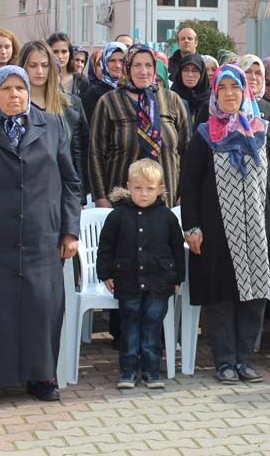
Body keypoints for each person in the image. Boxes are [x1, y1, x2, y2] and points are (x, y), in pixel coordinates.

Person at [0, 65, 81, 406]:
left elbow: (71, 183)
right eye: (5, 88)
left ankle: (41, 376)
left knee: (40, 307)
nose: (14, 95)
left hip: (41, 238)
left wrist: (70, 230)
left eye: (19, 88)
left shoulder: (50, 125)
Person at [180, 65, 270, 383]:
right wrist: (192, 227)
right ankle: (224, 361)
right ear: (215, 94)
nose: (230, 93)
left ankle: (245, 359)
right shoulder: (205, 135)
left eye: (236, 87)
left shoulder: (266, 131)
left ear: (246, 91)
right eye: (223, 88)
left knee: (255, 294)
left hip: (258, 226)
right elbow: (188, 183)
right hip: (217, 231)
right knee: (221, 296)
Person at [97, 159, 184, 389]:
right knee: (130, 326)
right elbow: (105, 246)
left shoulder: (167, 217)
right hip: (127, 281)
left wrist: (178, 277)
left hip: (159, 282)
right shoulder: (117, 216)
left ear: (160, 188)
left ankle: (151, 371)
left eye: (149, 188)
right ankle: (127, 371)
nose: (143, 194)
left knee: (152, 325)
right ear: (128, 186)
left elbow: (177, 249)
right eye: (137, 188)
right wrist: (105, 273)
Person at [89, 44, 190, 208]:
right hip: (122, 200)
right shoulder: (109, 102)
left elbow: (186, 150)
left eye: (148, 65)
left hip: (167, 199)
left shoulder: (172, 100)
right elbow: (95, 153)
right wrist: (100, 197)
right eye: (137, 65)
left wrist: (184, 194)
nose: (143, 71)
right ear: (127, 67)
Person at [20, 41, 89, 206]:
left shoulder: (71, 105)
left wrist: (79, 197)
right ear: (23, 67)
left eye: (44, 65)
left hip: (62, 191)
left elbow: (78, 153)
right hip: (25, 192)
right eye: (33, 65)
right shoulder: (15, 105)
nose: (39, 71)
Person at [83, 41, 127, 124]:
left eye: (121, 60)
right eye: (112, 60)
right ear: (105, 62)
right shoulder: (94, 93)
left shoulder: (133, 90)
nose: (118, 65)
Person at [171, 52, 210, 134]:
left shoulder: (211, 100)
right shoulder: (171, 98)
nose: (190, 75)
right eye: (185, 70)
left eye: (195, 70)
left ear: (202, 73)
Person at [48, 32, 88, 100]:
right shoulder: (43, 77)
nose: (60, 56)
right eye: (55, 52)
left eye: (64, 52)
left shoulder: (80, 80)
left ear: (70, 54)